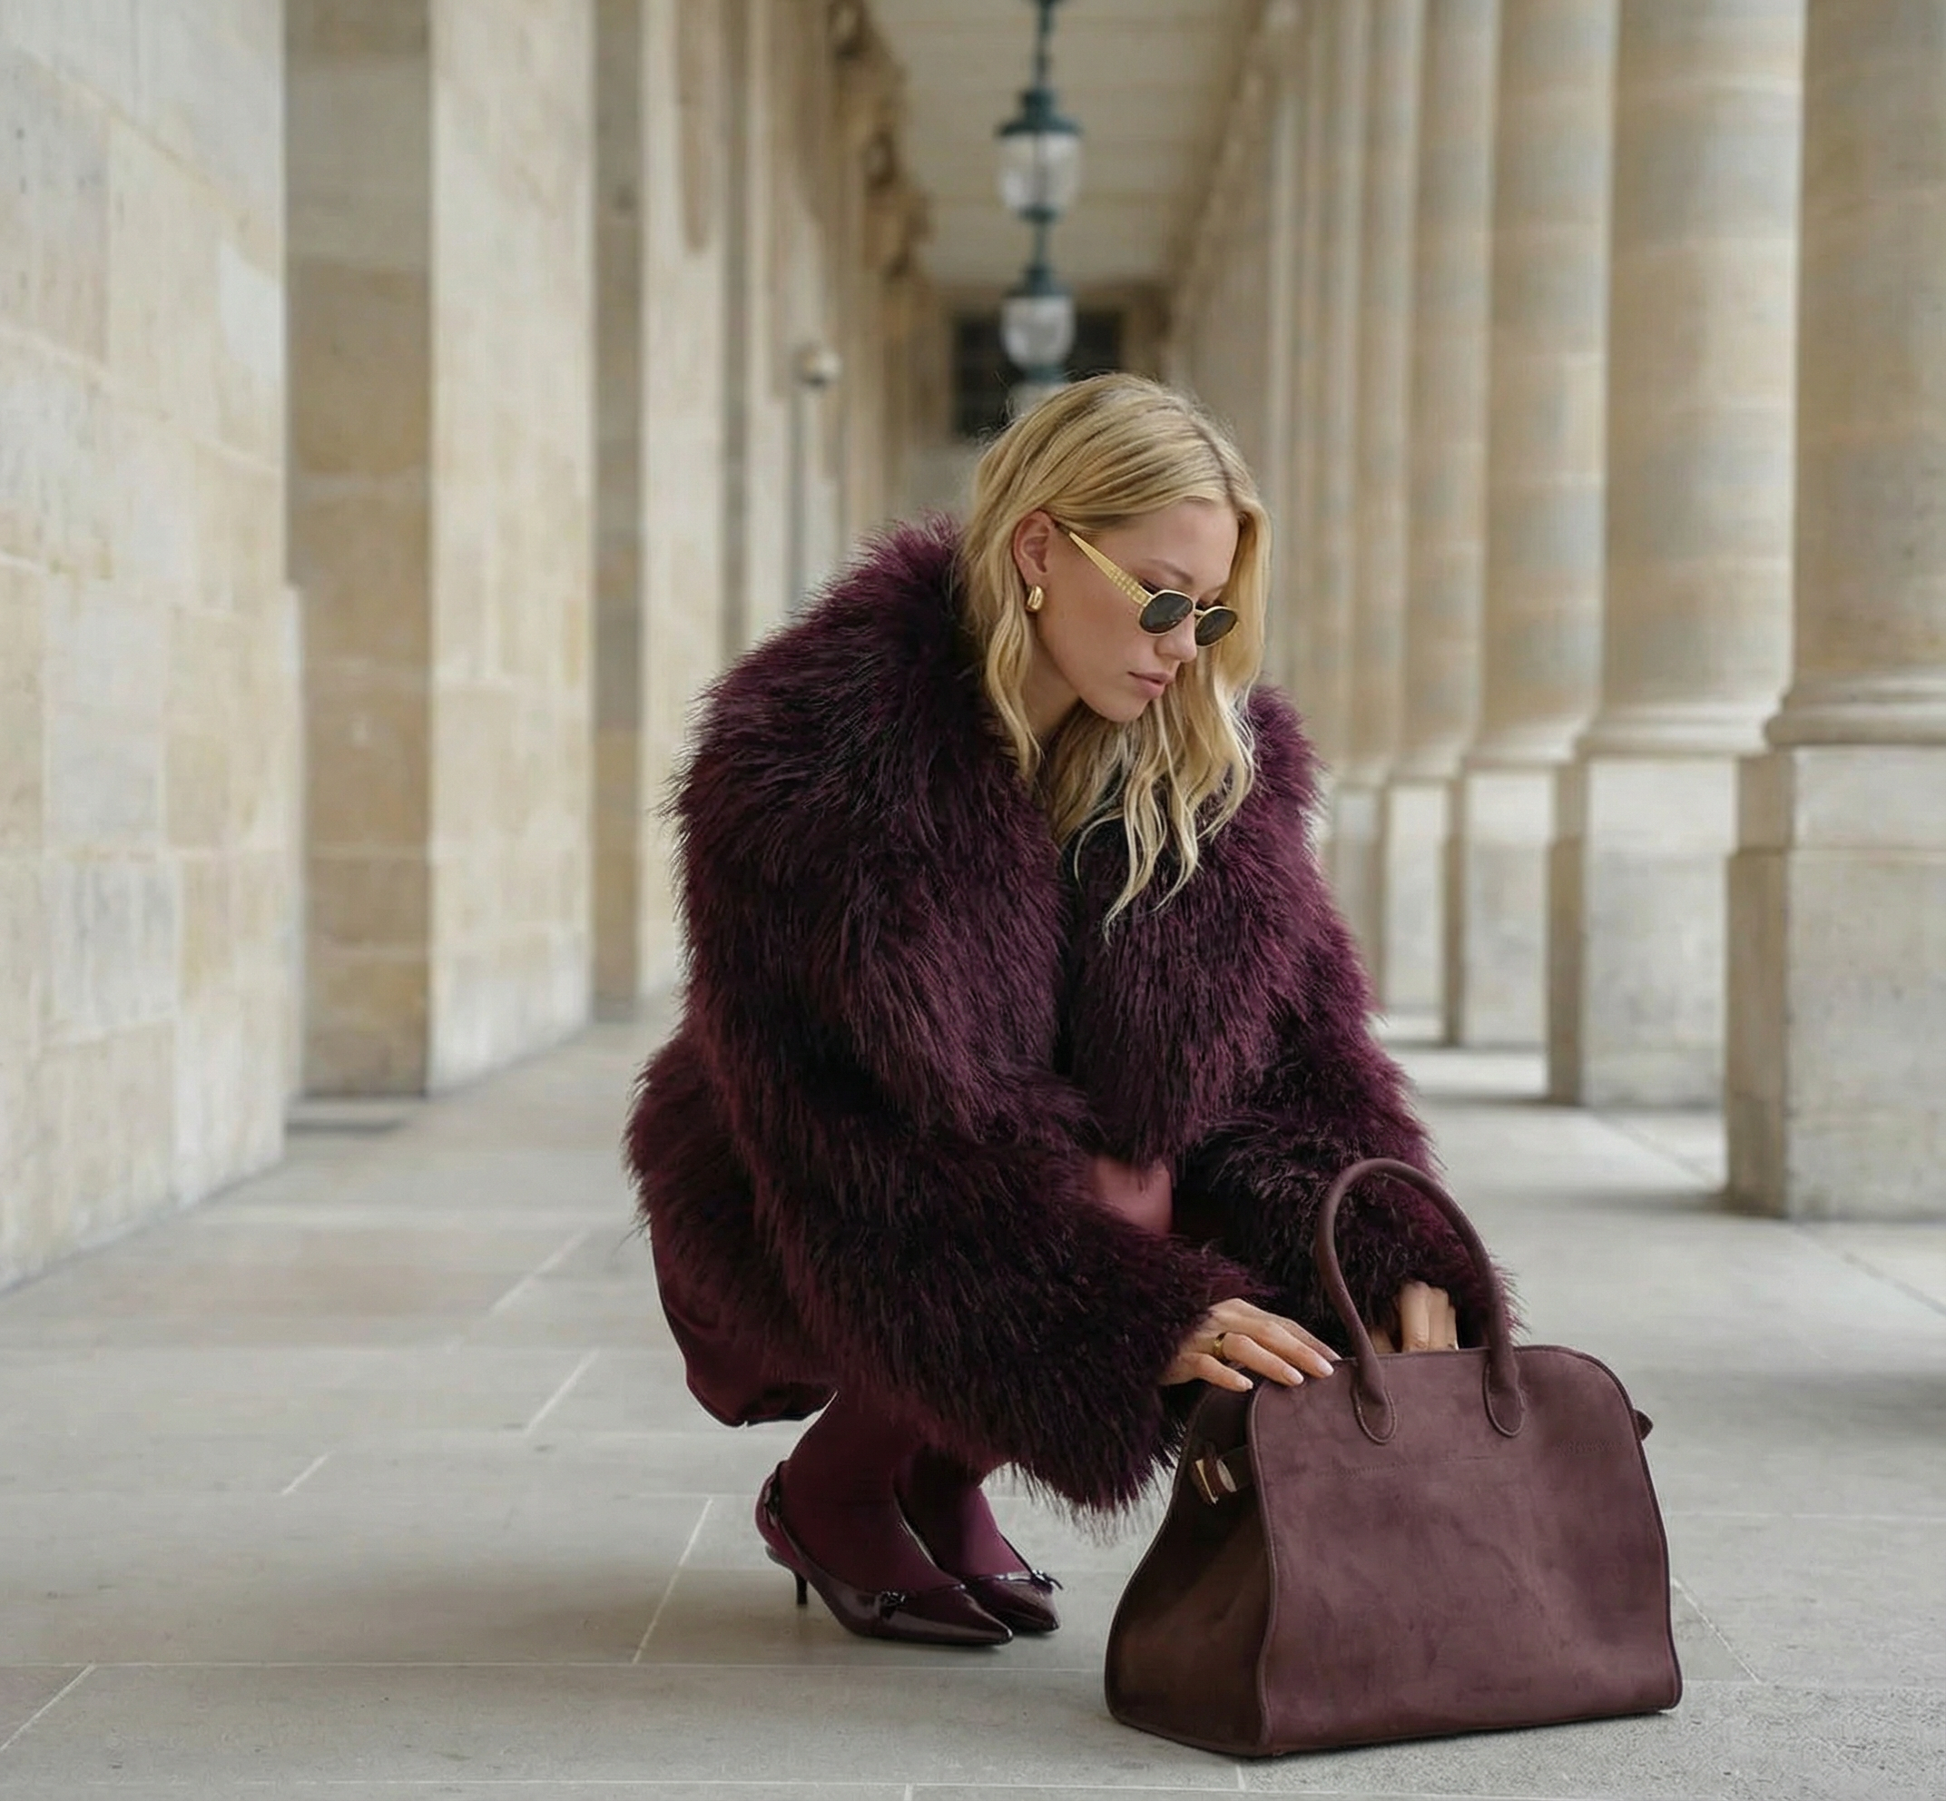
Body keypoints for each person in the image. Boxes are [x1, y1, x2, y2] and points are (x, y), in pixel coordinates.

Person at [626, 373, 1497, 1649]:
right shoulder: (815, 759)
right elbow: (856, 1134)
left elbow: (1303, 1058)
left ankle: (937, 1471)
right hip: (793, 1174)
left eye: (1207, 612)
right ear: (1037, 545)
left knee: (1160, 1172)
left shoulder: (1203, 771)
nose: (1179, 646)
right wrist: (1123, 1314)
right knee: (1110, 1197)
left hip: (1003, 1182)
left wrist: (1397, 1251)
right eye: (1156, 596)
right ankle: (835, 1483)